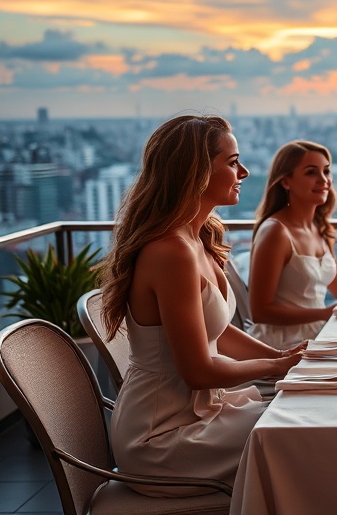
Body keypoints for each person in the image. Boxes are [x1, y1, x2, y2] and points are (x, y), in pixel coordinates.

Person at [100, 115, 303, 496]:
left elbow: (220, 333)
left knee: (299, 423)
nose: (243, 171)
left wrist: (285, 357)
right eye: (231, 162)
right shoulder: (170, 252)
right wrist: (278, 367)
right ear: (194, 171)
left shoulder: (199, 240)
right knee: (300, 430)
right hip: (160, 435)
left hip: (202, 414)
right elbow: (198, 371)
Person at [247, 140, 337, 350]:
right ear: (286, 182)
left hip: (318, 334)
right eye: (311, 173)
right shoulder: (275, 232)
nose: (323, 180)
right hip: (282, 345)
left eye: (326, 171)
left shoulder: (318, 226)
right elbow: (260, 311)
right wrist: (324, 313)